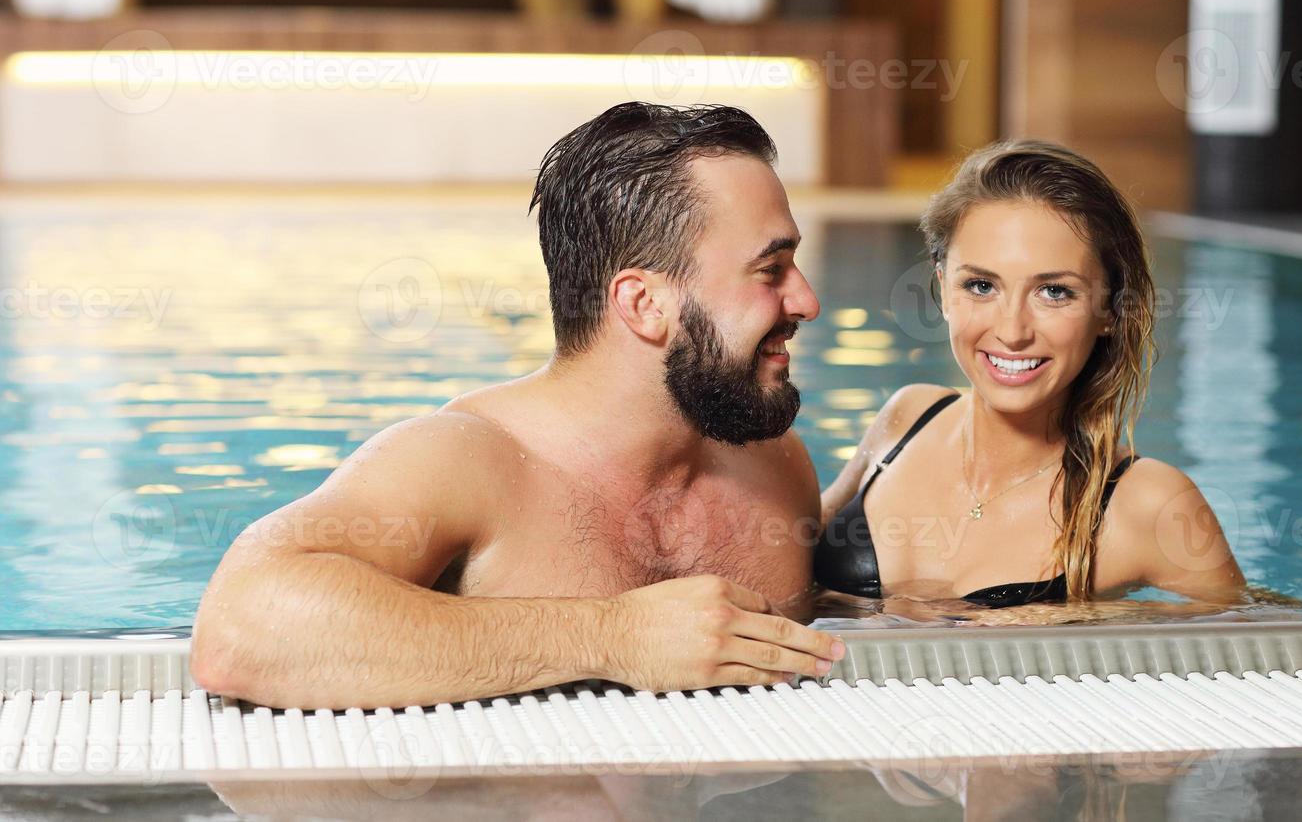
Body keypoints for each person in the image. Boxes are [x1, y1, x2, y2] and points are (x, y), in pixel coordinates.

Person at [191, 102, 844, 710]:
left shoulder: (773, 468)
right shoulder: (467, 460)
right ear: (644, 304)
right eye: (770, 270)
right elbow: (239, 628)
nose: (807, 301)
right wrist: (609, 638)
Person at [816, 140, 1246, 607]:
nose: (1012, 331)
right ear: (942, 288)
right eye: (981, 286)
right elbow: (790, 552)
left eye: (1055, 292)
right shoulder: (909, 415)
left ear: (1109, 309)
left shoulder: (1150, 503)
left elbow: (1264, 647)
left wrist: (1090, 623)